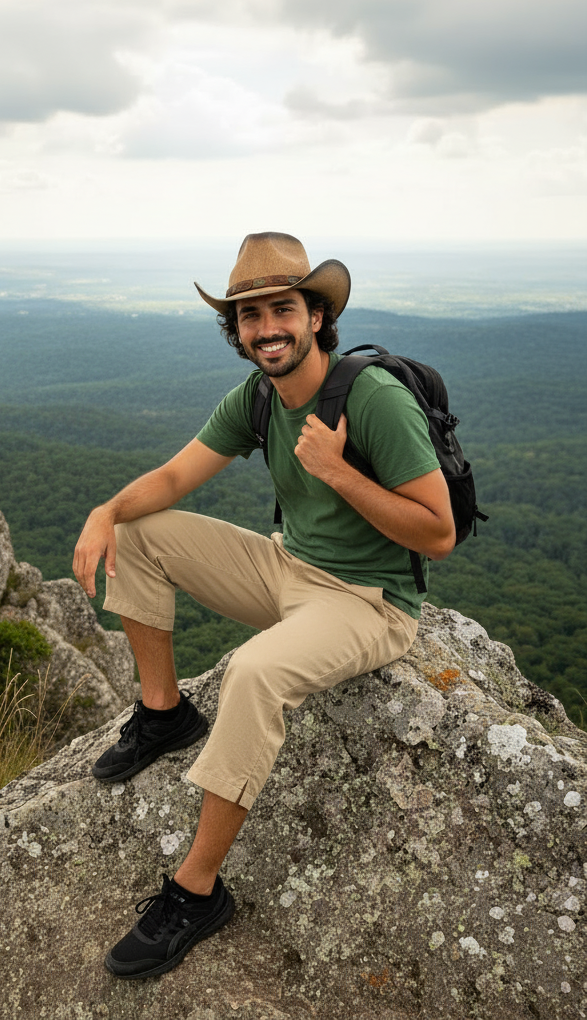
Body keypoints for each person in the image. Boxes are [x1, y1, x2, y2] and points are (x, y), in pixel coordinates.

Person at [72, 231, 455, 980]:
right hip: (287, 567)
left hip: (368, 603)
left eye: (283, 309)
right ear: (237, 331)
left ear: (316, 316)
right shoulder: (257, 396)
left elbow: (438, 533)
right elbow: (176, 477)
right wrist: (104, 510)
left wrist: (337, 473)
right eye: (249, 316)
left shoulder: (372, 398)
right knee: (141, 530)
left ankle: (196, 892)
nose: (266, 327)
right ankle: (163, 713)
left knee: (251, 674)